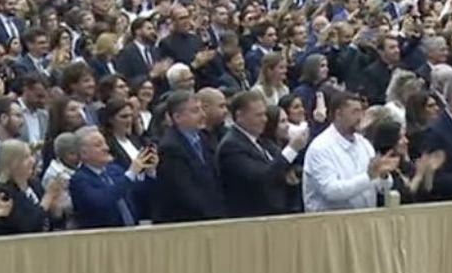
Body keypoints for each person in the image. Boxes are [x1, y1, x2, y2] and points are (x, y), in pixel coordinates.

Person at [302, 92, 397, 212]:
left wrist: (383, 175)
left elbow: (382, 188)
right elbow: (331, 191)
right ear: (338, 114)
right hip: (329, 220)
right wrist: (368, 176)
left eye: (361, 111)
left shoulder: (364, 144)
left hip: (366, 218)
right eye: (355, 112)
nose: (360, 117)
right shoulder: (320, 148)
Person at [218, 89, 301, 217]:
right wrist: (291, 150)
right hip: (250, 219)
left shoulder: (263, 141)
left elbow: (282, 167)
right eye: (258, 115)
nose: (265, 119)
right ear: (240, 116)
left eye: (265, 115)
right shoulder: (231, 146)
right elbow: (261, 177)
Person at [150, 90, 224, 223]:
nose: (203, 115)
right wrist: (214, 215)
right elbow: (184, 191)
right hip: (183, 221)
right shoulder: (170, 147)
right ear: (177, 117)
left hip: (210, 217)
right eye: (195, 111)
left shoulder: (205, 138)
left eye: (202, 109)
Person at [70, 125, 156, 228]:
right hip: (105, 235)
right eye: (98, 145)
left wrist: (150, 172)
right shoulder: (79, 180)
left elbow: (137, 193)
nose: (106, 148)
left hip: (133, 230)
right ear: (84, 153)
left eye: (105, 143)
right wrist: (131, 173)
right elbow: (102, 201)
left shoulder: (115, 170)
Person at [0, 138, 65, 236]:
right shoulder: (3, 193)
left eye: (31, 155)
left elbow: (48, 219)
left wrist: (56, 209)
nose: (32, 161)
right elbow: (29, 225)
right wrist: (48, 197)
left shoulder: (35, 185)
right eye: (26, 158)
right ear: (12, 163)